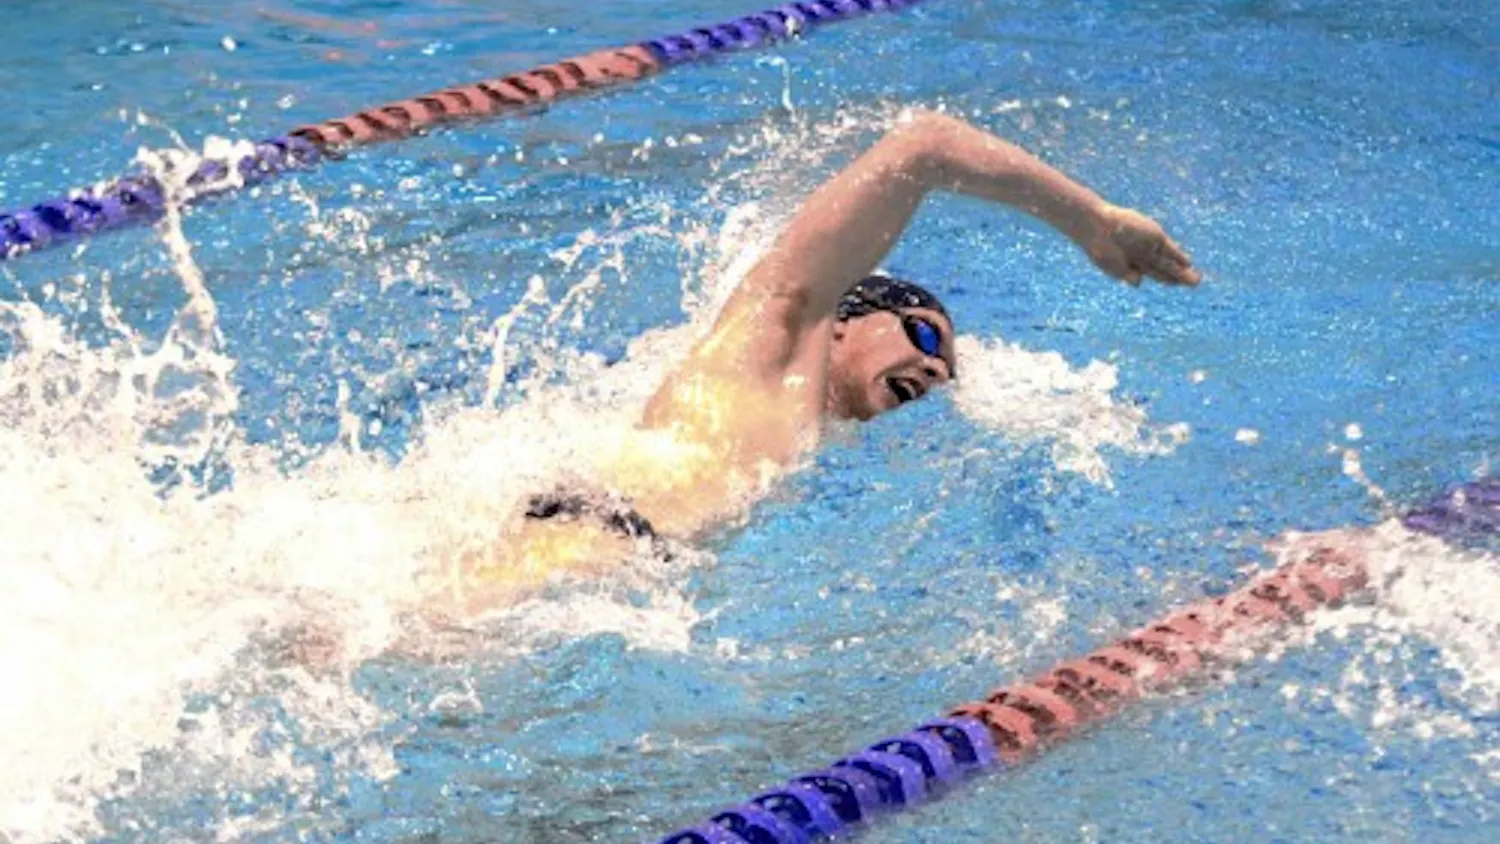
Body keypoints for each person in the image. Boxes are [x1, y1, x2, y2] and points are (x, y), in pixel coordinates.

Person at [445, 109, 1202, 609]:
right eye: (927, 335)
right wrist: (1091, 221)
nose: (938, 369)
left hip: (606, 573)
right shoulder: (776, 339)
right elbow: (925, 147)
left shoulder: (802, 436)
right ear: (845, 318)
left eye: (950, 366)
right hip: (576, 548)